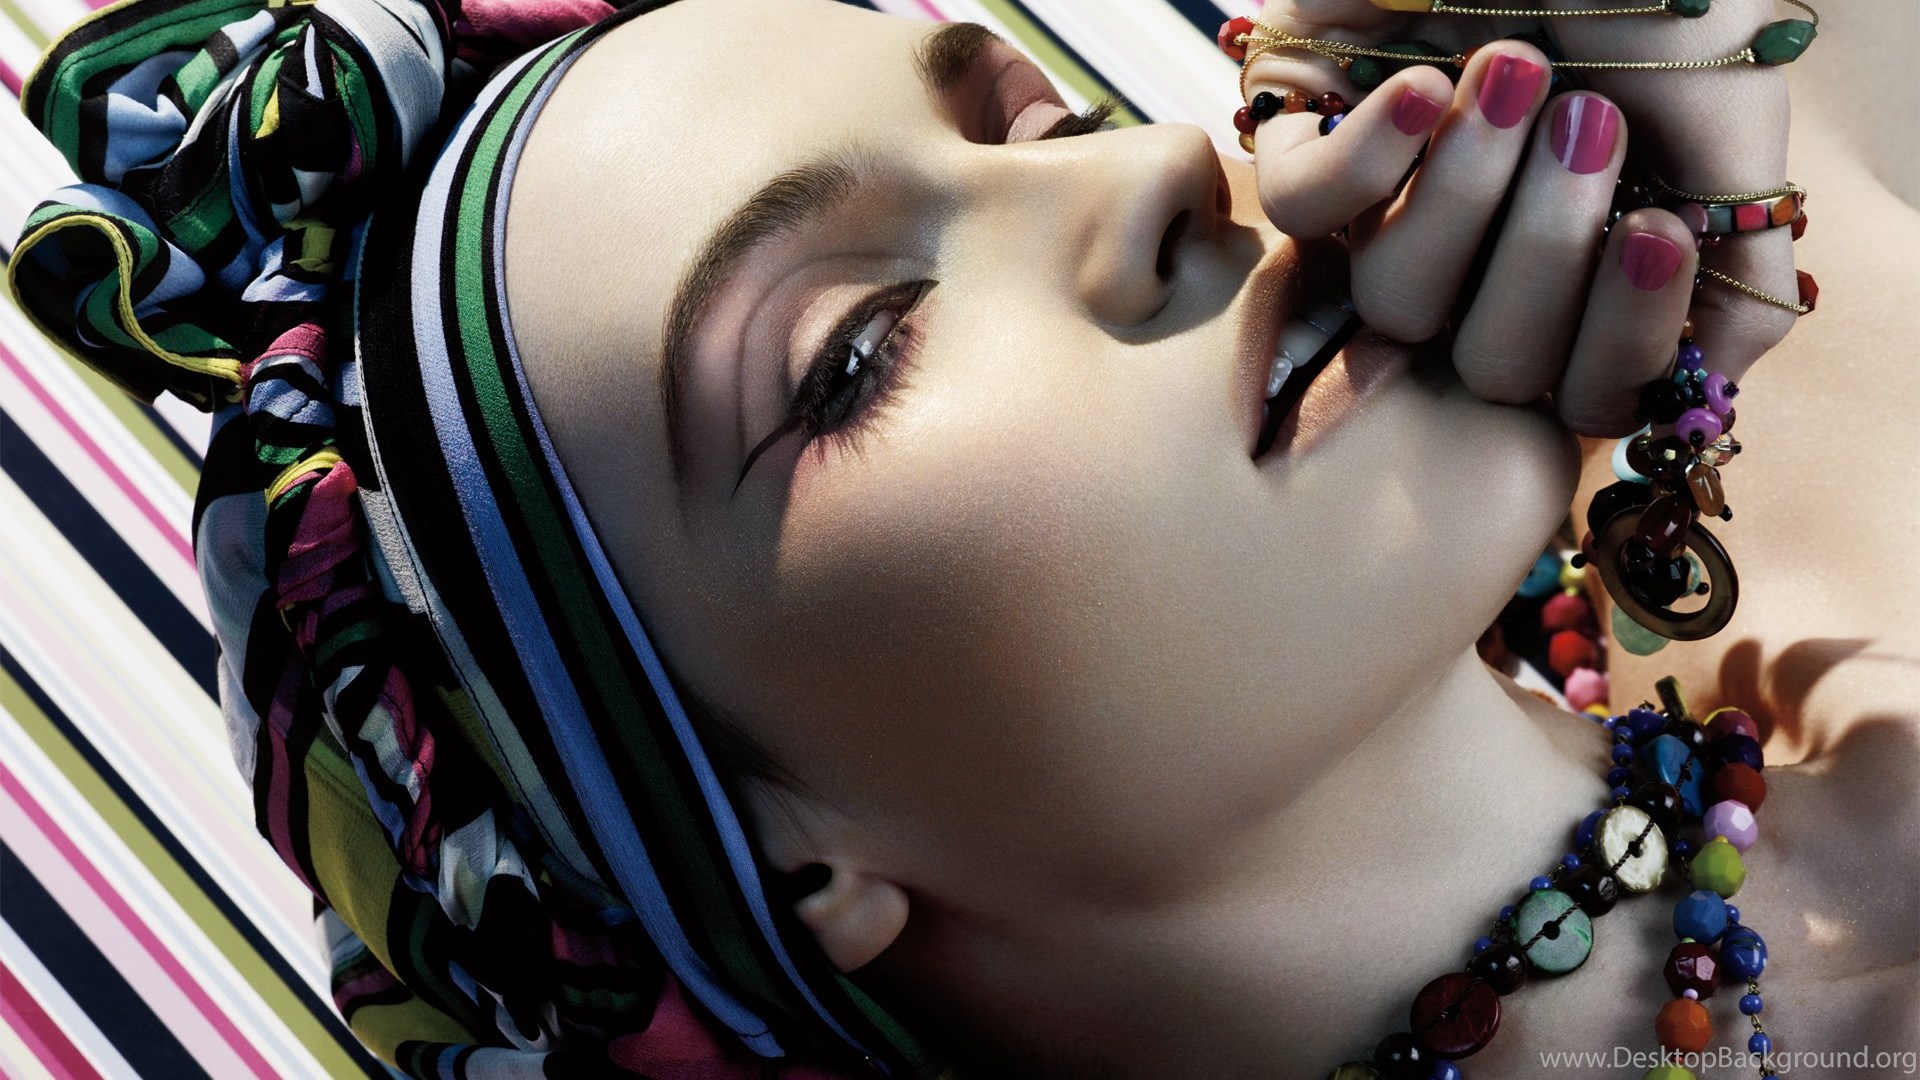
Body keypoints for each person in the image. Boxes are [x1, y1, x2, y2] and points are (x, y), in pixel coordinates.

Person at [5, 0, 1913, 1077]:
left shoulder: (1839, 473)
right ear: (774, 861)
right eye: (853, 352)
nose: (1154, 166)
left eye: (1033, 123)